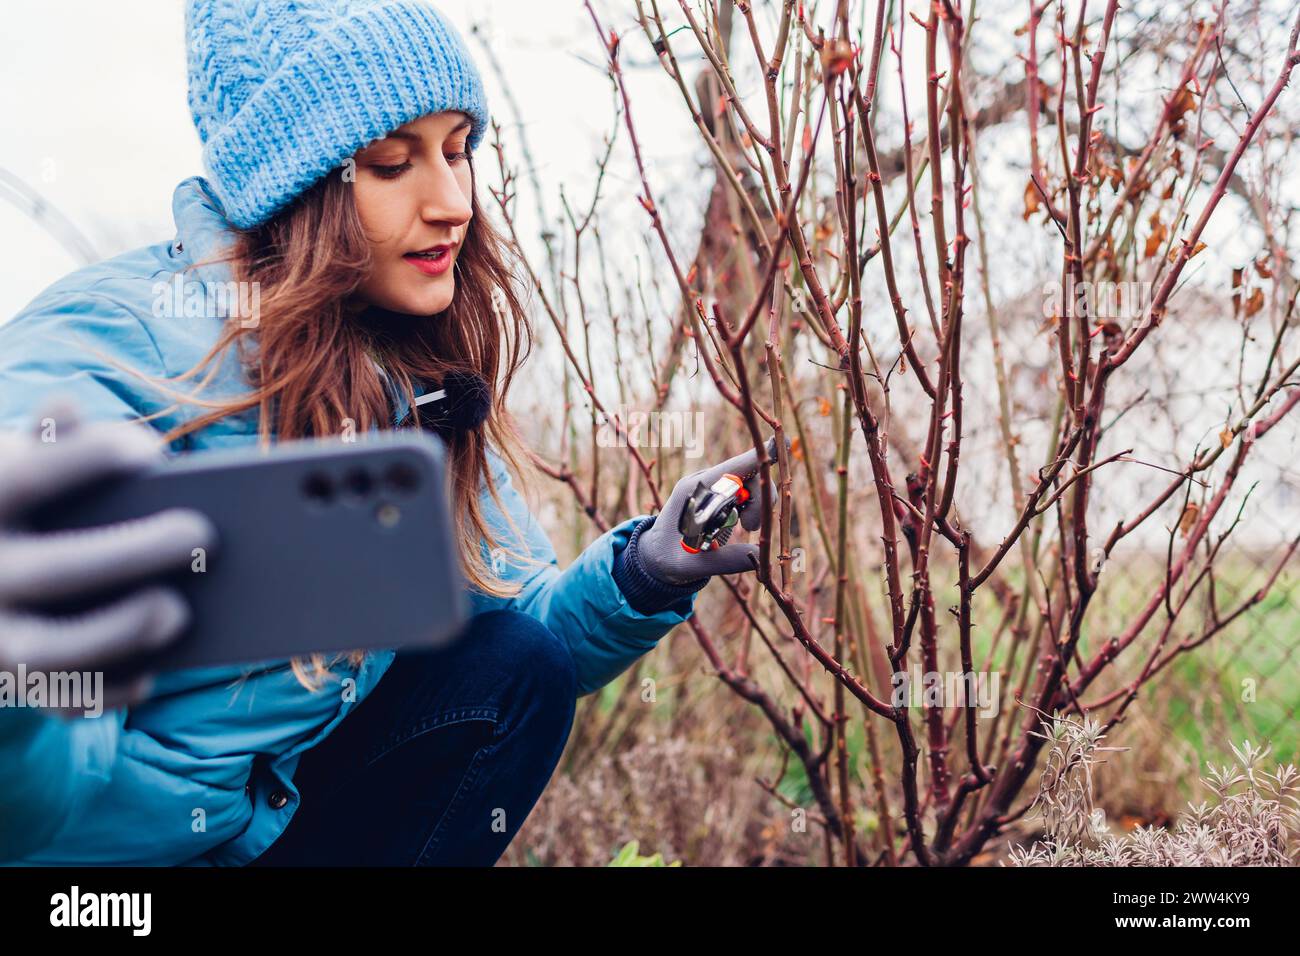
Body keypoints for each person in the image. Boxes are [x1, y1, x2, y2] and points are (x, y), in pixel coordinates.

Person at [0, 0, 772, 866]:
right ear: (289, 184)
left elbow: (519, 634)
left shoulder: (403, 374)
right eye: (390, 163)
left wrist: (642, 573)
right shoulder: (118, 345)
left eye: (457, 151)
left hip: (263, 837)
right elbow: (38, 785)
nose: (451, 204)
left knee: (514, 665)